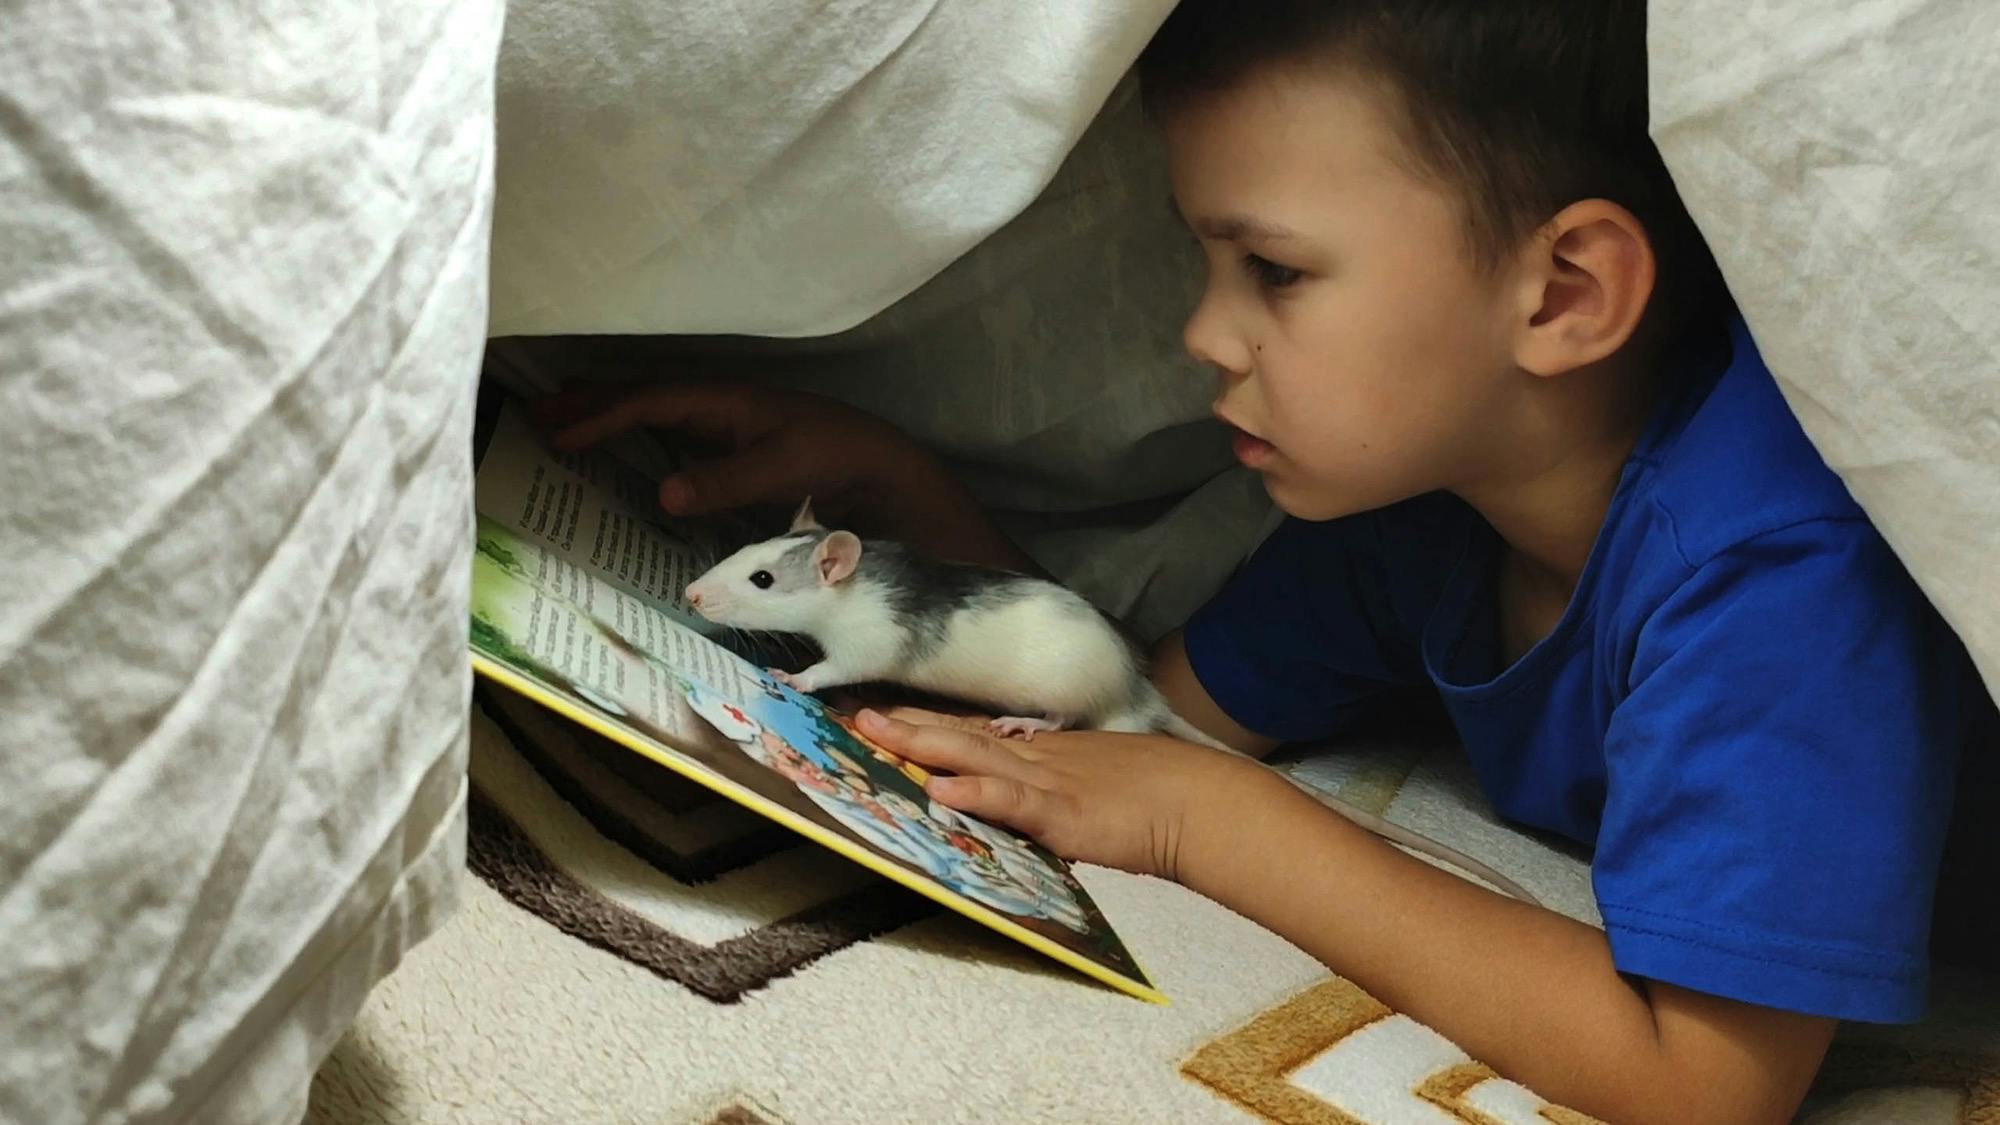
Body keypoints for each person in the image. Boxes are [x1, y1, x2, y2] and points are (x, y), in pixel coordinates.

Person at [538, 2, 1977, 1120]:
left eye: (1274, 272)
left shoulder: (1778, 568)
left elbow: (1705, 1083)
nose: (1206, 338)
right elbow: (1133, 720)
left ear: (1567, 292)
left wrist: (1217, 823)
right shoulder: (1421, 512)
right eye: (1209, 267)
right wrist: (897, 518)